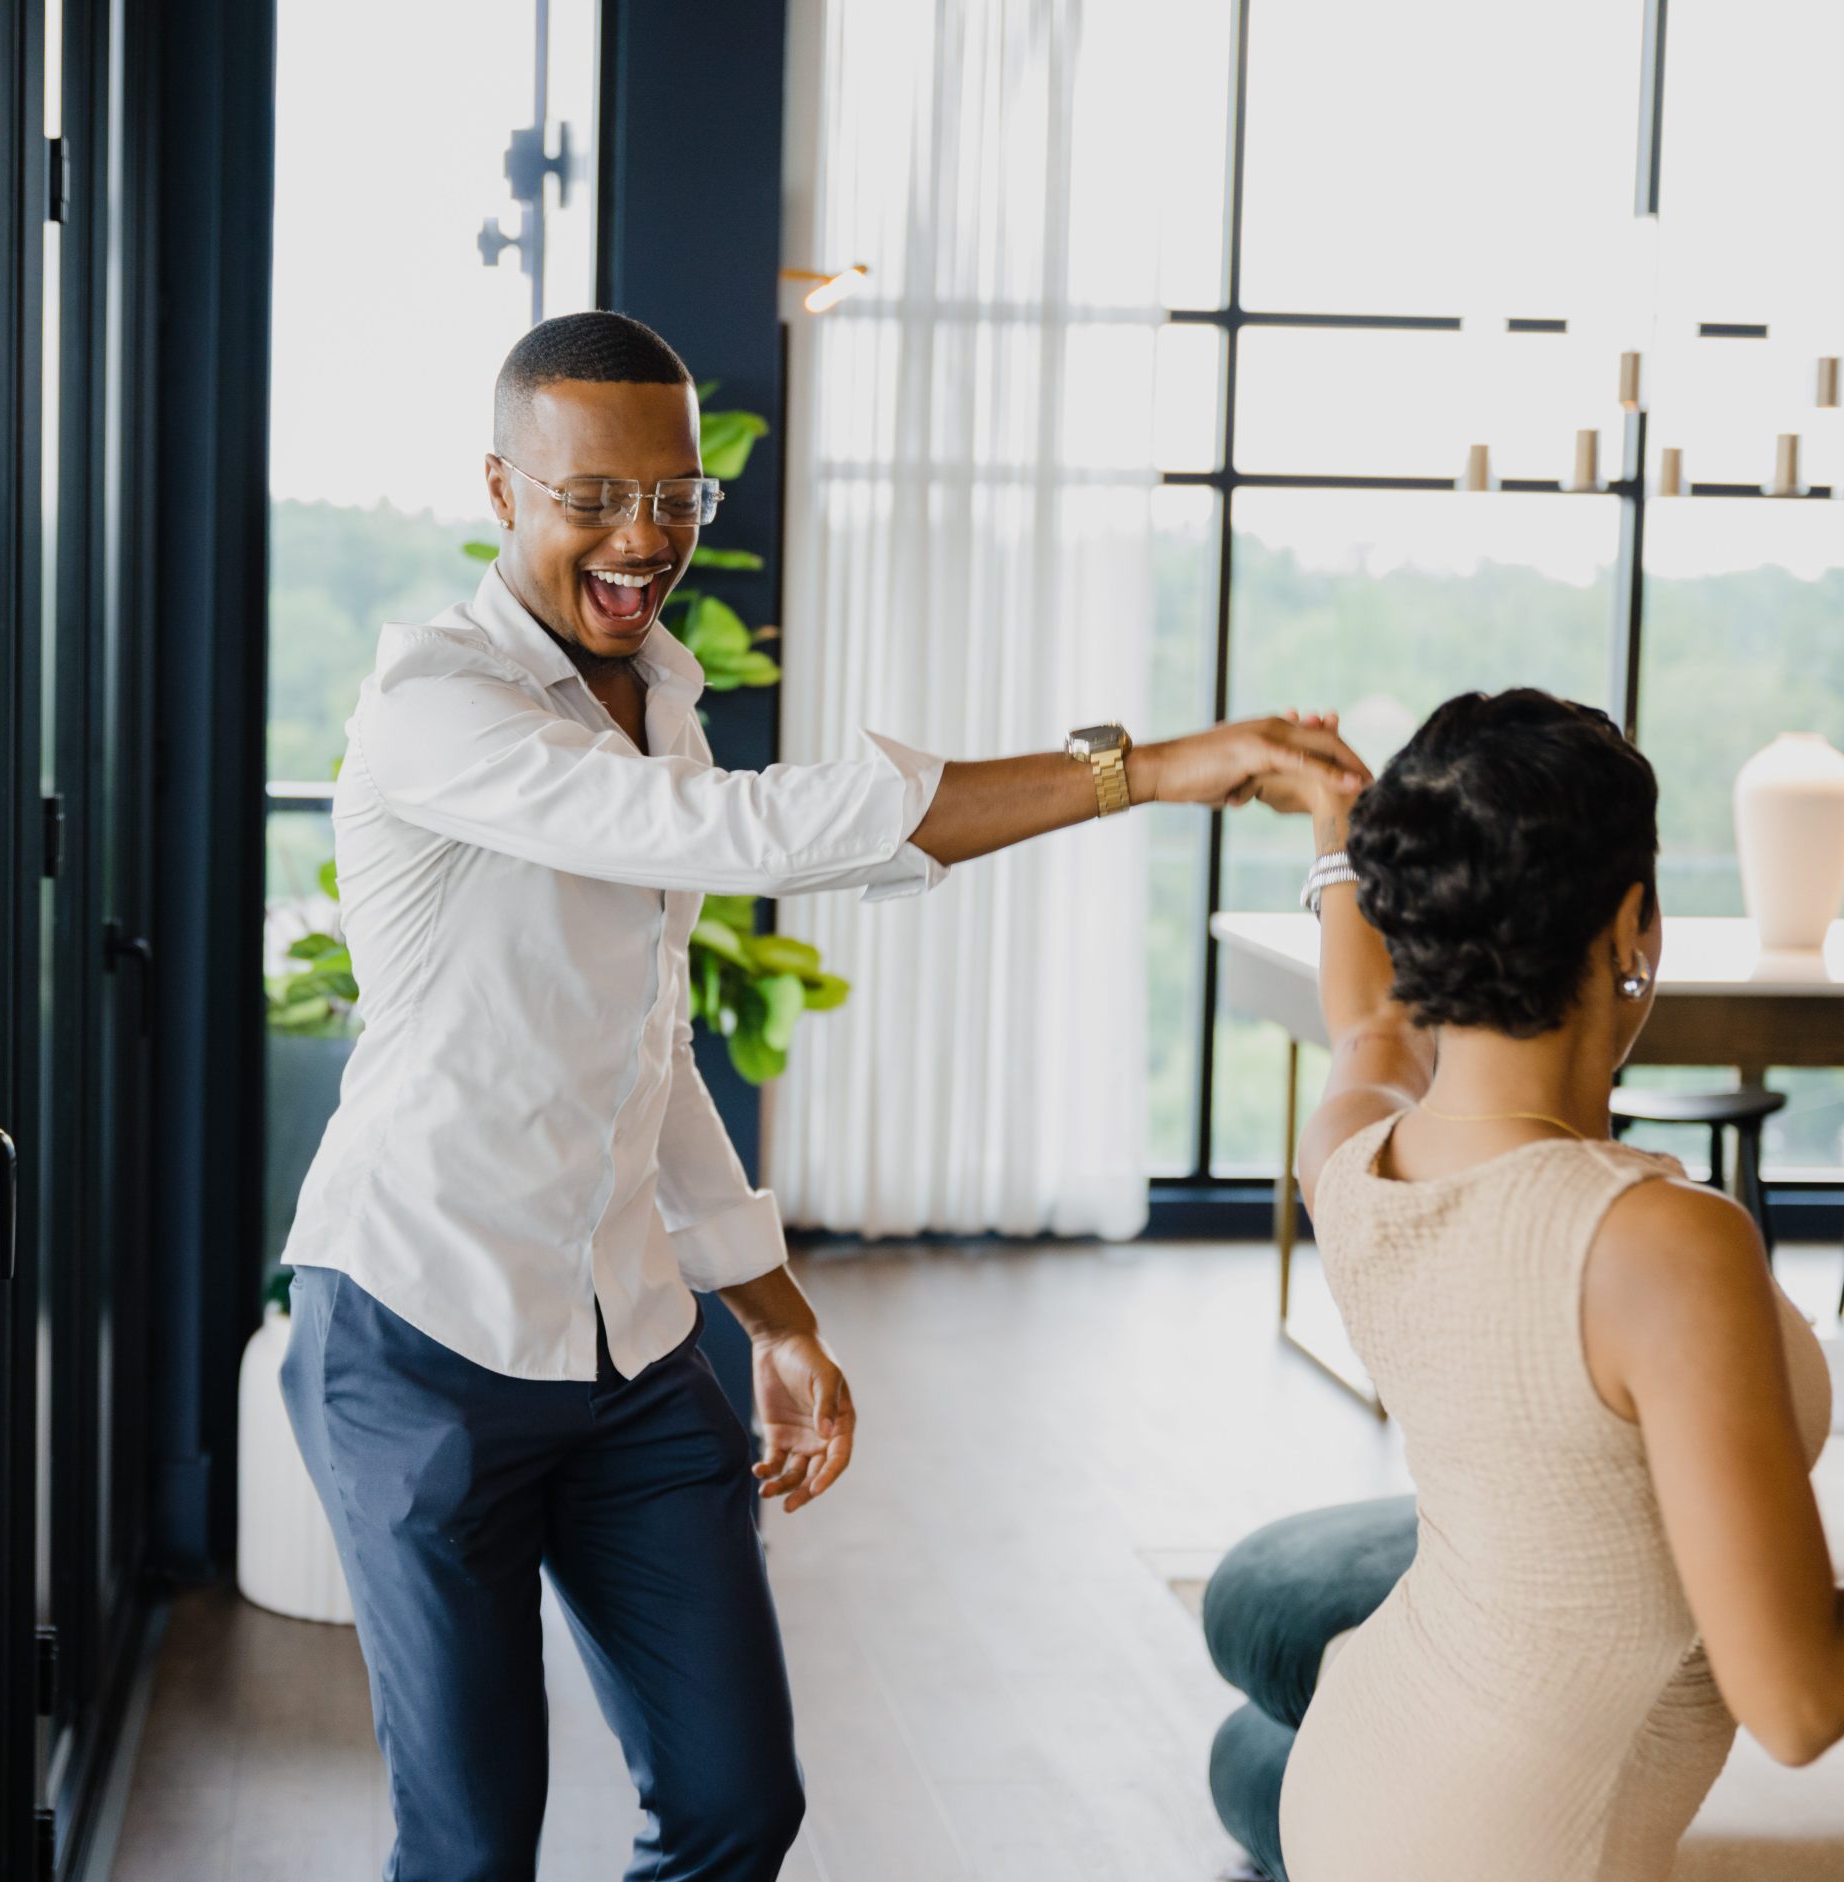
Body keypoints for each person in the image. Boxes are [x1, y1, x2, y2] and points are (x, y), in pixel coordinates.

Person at [275, 309, 1368, 1882]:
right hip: (418, 1331)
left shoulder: (652, 685)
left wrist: (773, 1309)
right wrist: (1148, 766)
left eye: (678, 496)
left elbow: (635, 1050)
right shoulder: (435, 704)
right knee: (470, 1848)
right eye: (595, 498)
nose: (644, 537)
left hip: (630, 1344)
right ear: (502, 490)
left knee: (736, 1802)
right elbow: (757, 841)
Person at [1213, 691, 1840, 1882]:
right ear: (1632, 926)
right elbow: (1799, 1704)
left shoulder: (1354, 1162)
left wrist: (1336, 833)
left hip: (1361, 1776)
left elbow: (1367, 1030)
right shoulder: (1661, 1242)